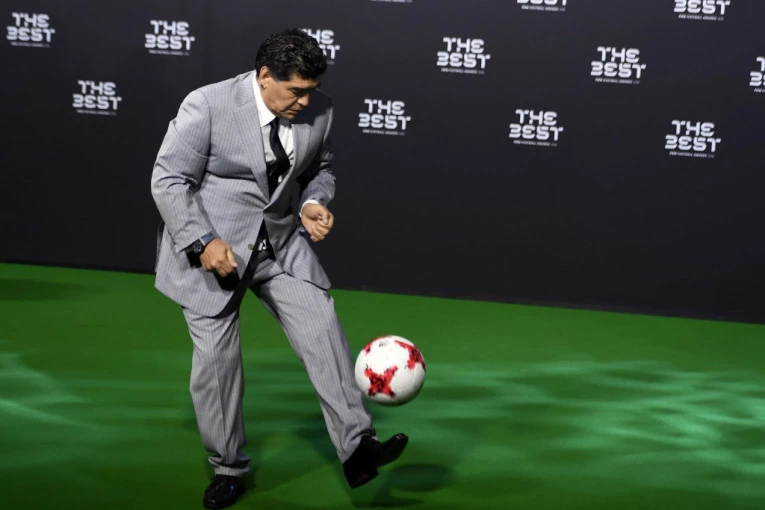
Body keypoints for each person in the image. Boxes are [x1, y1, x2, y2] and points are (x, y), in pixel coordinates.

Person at [150, 28, 408, 509]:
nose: (305, 101)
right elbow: (168, 179)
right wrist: (202, 241)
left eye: (312, 90)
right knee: (218, 366)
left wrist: (312, 202)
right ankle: (228, 468)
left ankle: (358, 447)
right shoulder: (208, 105)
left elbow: (320, 170)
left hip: (279, 246)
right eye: (296, 91)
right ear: (265, 76)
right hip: (214, 254)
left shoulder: (320, 108)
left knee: (322, 325)